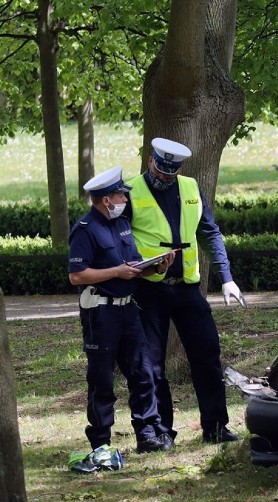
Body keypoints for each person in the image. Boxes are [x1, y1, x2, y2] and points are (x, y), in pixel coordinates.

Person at [125, 138, 246, 445]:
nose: (164, 176)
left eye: (171, 172)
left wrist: (227, 278)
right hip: (149, 291)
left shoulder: (191, 188)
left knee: (207, 356)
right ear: (151, 161)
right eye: (161, 169)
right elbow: (120, 243)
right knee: (152, 364)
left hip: (188, 289)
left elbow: (209, 232)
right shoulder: (129, 192)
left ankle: (216, 427)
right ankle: (161, 432)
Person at [68, 166, 175, 454]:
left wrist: (156, 266)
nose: (125, 201)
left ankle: (148, 434)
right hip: (101, 314)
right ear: (106, 200)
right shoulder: (85, 230)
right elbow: (77, 276)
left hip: (129, 310)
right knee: (102, 378)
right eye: (120, 196)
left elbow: (134, 265)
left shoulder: (121, 225)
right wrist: (115, 272)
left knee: (143, 373)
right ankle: (101, 441)